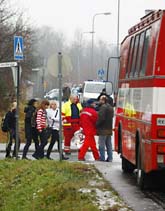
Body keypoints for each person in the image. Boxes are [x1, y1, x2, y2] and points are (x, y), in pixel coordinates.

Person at [96, 95, 114, 162]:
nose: (99, 101)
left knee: (102, 144)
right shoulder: (110, 107)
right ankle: (110, 158)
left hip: (103, 129)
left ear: (103, 100)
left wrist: (96, 125)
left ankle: (102, 158)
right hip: (109, 128)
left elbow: (101, 118)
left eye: (100, 100)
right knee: (109, 144)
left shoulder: (103, 107)